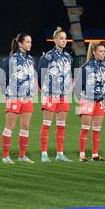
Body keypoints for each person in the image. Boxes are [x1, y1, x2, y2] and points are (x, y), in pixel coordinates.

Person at [37, 27, 73, 162]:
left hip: (64, 95)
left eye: (65, 38)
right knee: (46, 124)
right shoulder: (47, 57)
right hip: (50, 94)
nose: (64, 41)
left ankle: (60, 154)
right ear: (55, 40)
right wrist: (47, 90)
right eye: (61, 38)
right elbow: (41, 76)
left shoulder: (68, 57)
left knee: (61, 125)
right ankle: (44, 154)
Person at [0, 33, 36, 164]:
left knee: (25, 126)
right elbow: (4, 78)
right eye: (27, 42)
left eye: (30, 42)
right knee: (10, 125)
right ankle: (5, 156)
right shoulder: (11, 59)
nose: (30, 44)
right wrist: (8, 94)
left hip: (27, 98)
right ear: (20, 43)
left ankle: (22, 156)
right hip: (14, 97)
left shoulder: (31, 59)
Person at [76, 41, 105, 162]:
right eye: (101, 51)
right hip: (88, 101)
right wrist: (84, 99)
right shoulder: (85, 67)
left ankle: (95, 154)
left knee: (97, 129)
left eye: (104, 51)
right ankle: (82, 155)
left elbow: (104, 84)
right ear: (94, 52)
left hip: (100, 102)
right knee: (85, 128)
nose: (103, 53)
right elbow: (77, 87)